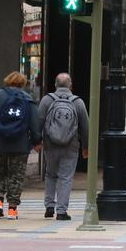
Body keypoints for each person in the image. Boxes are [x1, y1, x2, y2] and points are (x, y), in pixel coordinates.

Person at [0, 71, 42, 220]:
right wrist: (37, 141)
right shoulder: (28, 99)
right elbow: (34, 123)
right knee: (16, 176)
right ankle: (12, 209)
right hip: (20, 144)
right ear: (22, 83)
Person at [38, 73, 88, 221]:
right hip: (70, 145)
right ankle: (61, 211)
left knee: (50, 174)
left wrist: (36, 141)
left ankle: (49, 206)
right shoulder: (78, 102)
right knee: (65, 177)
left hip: (50, 144)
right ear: (70, 85)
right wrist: (86, 147)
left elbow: (38, 121)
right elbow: (85, 127)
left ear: (55, 85)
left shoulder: (47, 100)